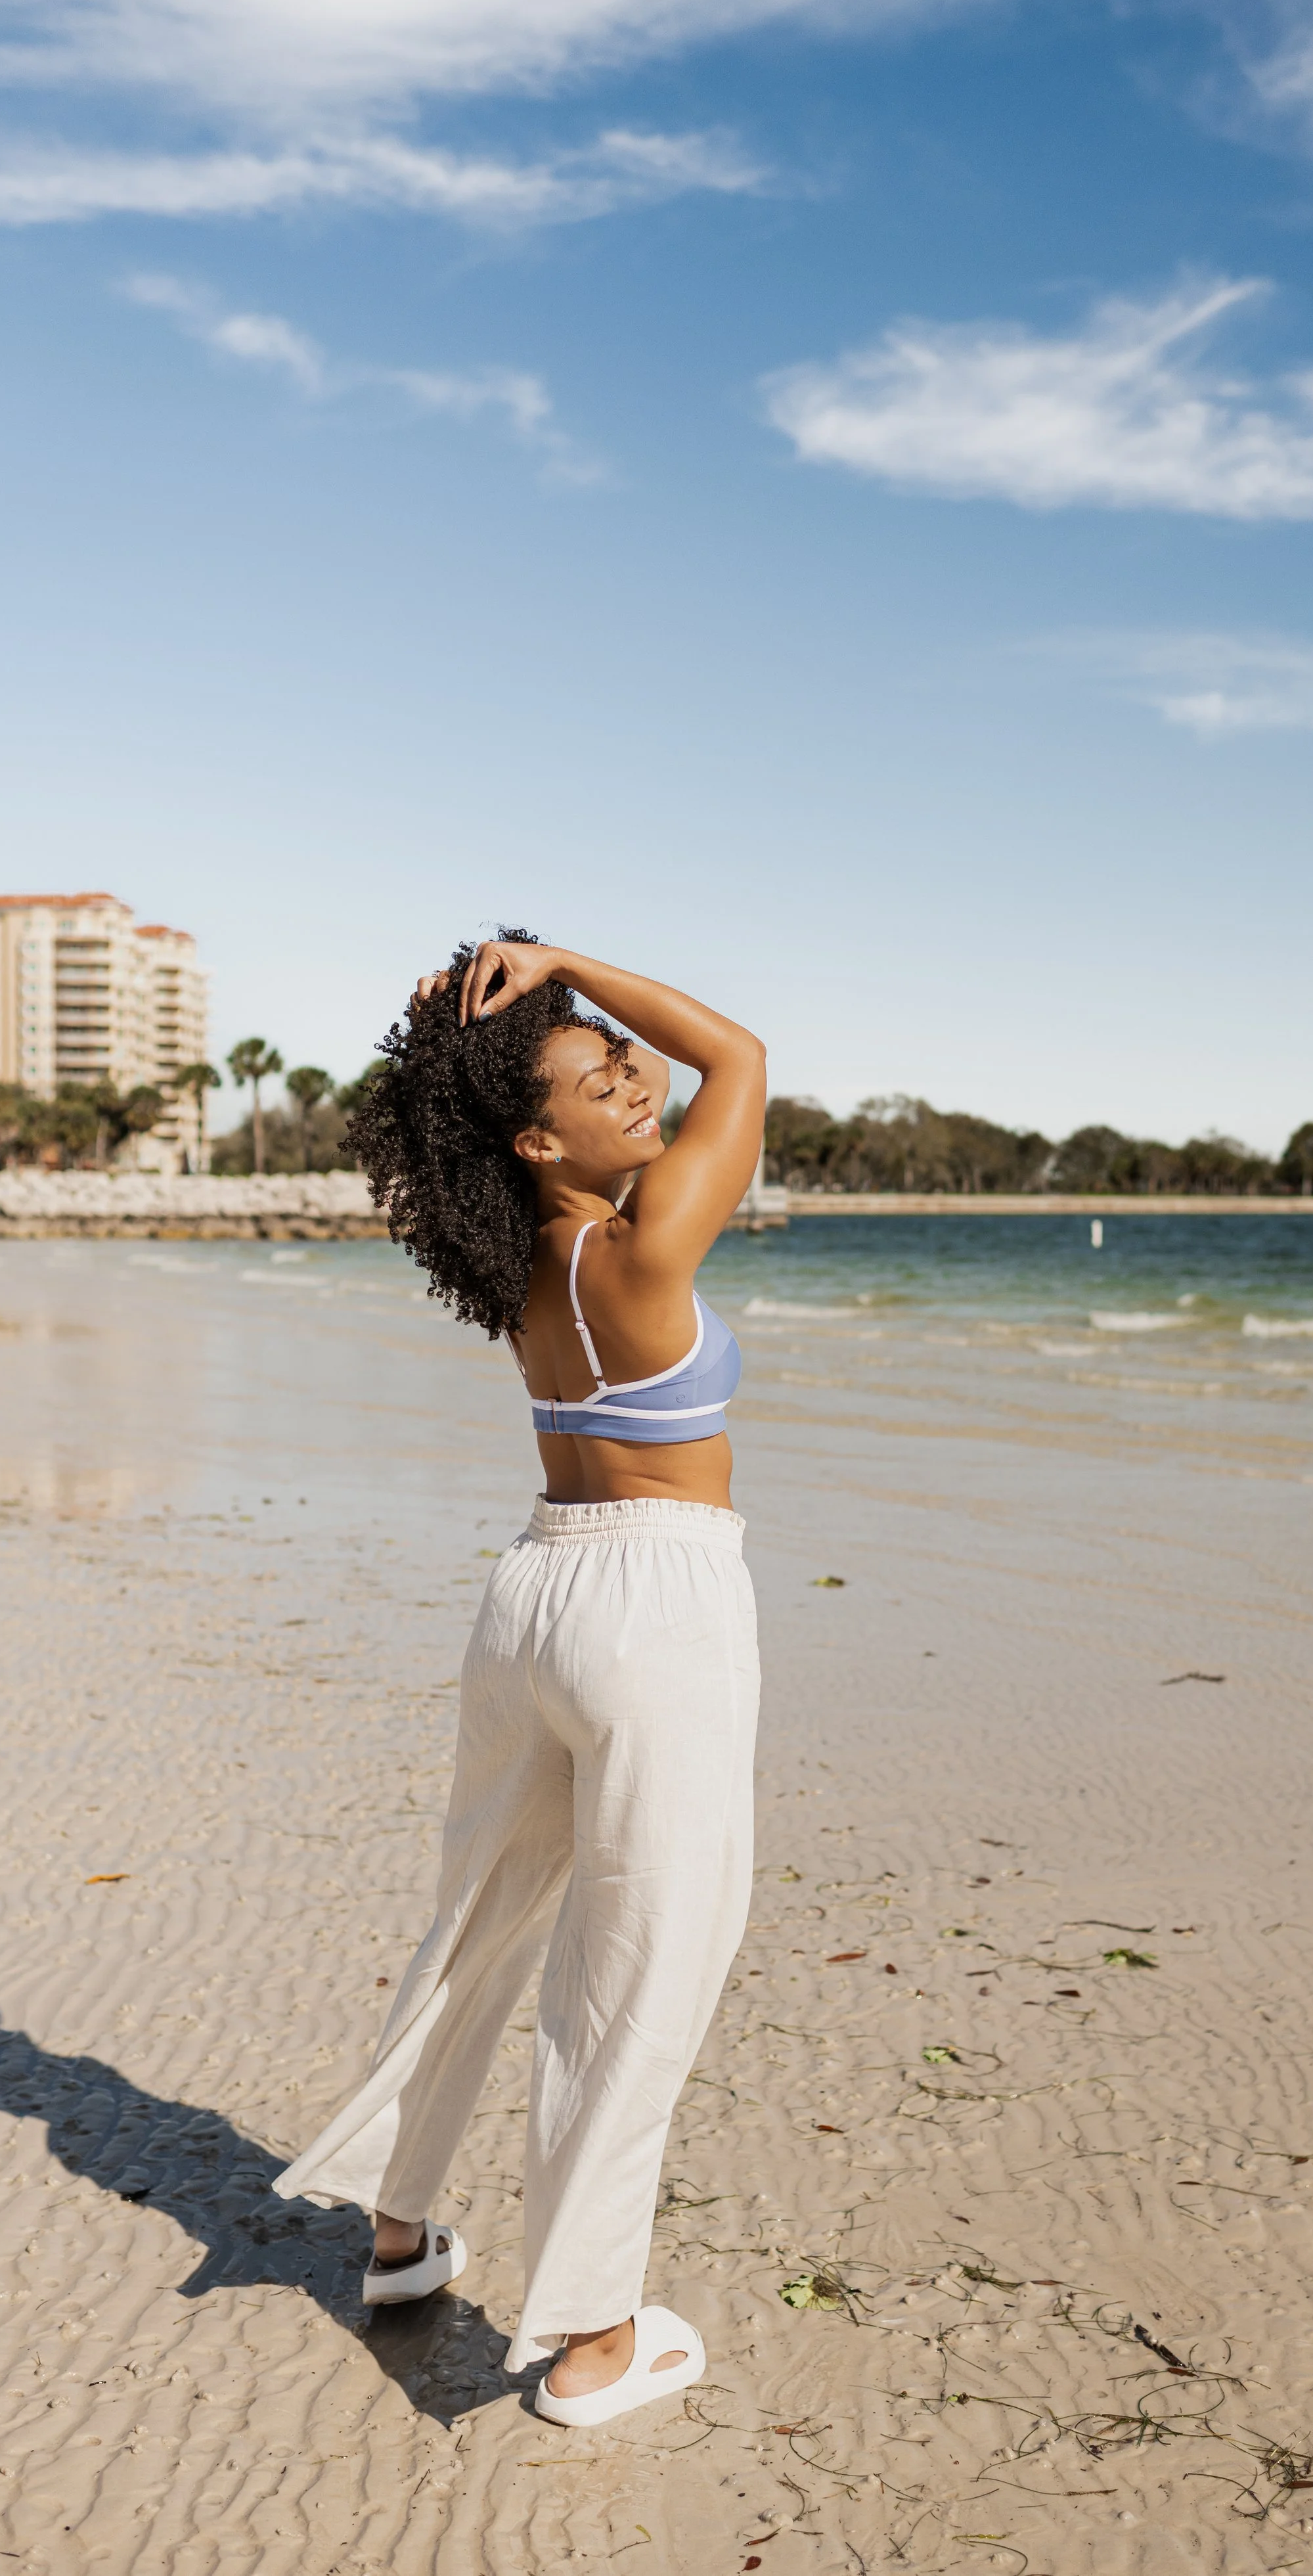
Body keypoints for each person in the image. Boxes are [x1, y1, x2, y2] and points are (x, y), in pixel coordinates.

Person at [273, 933, 766, 2429]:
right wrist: (568, 963)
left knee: (482, 1914)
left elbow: (675, 1076)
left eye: (618, 1055)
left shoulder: (524, 1263)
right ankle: (598, 2339)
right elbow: (736, 1057)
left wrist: (488, 1038)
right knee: (639, 1963)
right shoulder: (638, 1248)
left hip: (536, 1588)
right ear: (534, 1138)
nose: (635, 1072)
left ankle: (400, 2227)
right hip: (655, 1599)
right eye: (592, 1072)